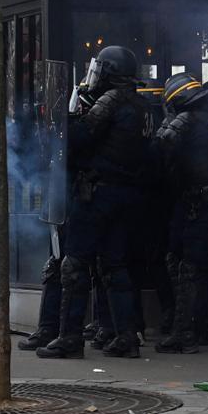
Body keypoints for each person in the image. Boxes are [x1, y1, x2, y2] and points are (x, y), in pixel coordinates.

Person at [37, 46, 148, 359]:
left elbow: (80, 139)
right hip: (126, 193)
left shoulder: (109, 102)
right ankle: (127, 336)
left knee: (75, 263)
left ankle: (70, 337)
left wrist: (67, 119)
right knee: (115, 264)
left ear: (110, 72)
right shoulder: (142, 104)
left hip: (97, 192)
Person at [153, 72, 208, 354]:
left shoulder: (188, 121)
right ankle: (204, 327)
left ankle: (185, 332)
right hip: (207, 200)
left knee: (187, 266)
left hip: (202, 201)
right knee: (183, 261)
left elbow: (160, 149)